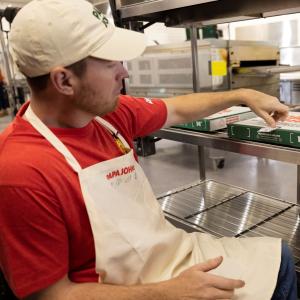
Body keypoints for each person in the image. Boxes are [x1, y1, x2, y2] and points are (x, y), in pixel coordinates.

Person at [0, 0, 297, 299]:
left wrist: (242, 94)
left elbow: (177, 109)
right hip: (124, 291)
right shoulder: (22, 171)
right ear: (64, 80)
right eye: (110, 62)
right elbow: (51, 295)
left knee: (279, 258)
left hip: (166, 258)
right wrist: (167, 293)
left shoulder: (106, 116)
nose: (125, 72)